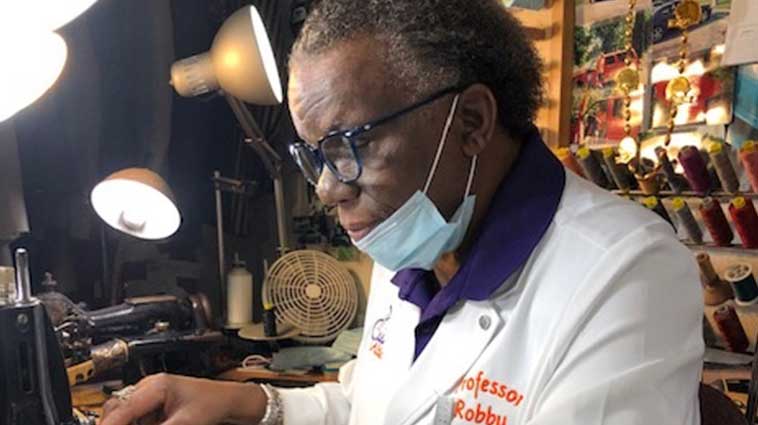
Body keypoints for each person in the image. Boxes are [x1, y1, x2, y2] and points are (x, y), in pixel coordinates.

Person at [101, 1, 704, 424]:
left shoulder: (629, 275)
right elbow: (378, 409)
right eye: (315, 155)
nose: (327, 190)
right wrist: (247, 404)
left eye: (348, 146)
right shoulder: (415, 238)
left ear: (470, 121)